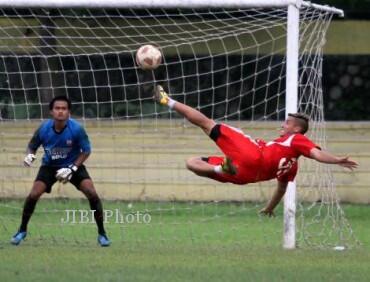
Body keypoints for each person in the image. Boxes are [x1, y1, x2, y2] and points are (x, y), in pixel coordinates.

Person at [153, 85, 358, 216]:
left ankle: (167, 101)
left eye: (287, 123)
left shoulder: (296, 139)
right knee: (193, 162)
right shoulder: (291, 166)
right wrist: (269, 208)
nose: (283, 125)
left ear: (296, 128)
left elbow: (315, 153)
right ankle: (221, 169)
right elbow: (281, 189)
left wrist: (336, 160)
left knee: (207, 123)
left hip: (251, 155)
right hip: (245, 176)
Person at [11, 96, 111, 247]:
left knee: (91, 192)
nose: (60, 112)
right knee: (33, 194)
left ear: (69, 112)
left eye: (64, 109)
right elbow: (32, 145)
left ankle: (102, 234)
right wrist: (30, 155)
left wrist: (73, 168)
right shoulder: (44, 129)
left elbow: (86, 151)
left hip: (73, 165)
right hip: (49, 166)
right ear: (51, 111)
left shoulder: (76, 129)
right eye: (57, 108)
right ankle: (22, 230)